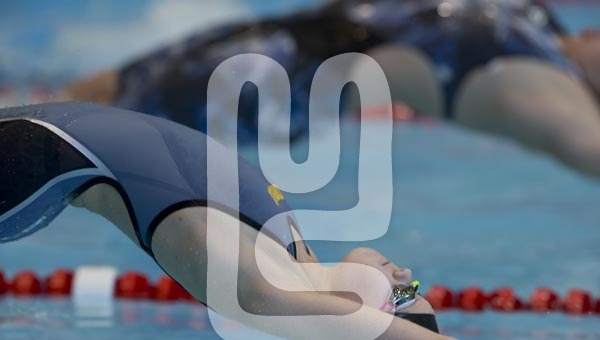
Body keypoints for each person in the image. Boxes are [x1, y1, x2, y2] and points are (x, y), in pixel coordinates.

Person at [0, 102, 541, 340]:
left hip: (28, 168)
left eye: (401, 295)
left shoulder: (259, 291)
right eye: (411, 285)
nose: (403, 271)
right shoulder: (290, 257)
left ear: (351, 323)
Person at [59, 0, 600, 177]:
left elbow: (580, 142)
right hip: (277, 34)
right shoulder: (540, 23)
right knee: (87, 93)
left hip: (270, 83)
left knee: (70, 133)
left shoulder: (539, 81)